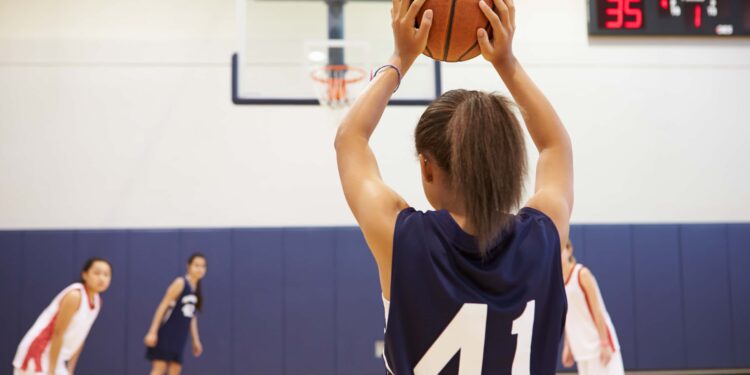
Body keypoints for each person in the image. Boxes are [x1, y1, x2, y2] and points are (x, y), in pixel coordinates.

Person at [333, 0, 574, 372]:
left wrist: (401, 56)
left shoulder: (399, 237)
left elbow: (350, 139)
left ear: (427, 168)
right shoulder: (544, 236)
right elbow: (555, 145)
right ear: (510, 162)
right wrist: (506, 62)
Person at [12, 258, 112, 375]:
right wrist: (52, 371)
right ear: (85, 274)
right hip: (38, 352)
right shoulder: (75, 296)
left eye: (106, 274)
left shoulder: (97, 302)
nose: (102, 278)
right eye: (97, 273)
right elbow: (58, 333)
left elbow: (80, 338)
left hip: (56, 358)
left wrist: (70, 369)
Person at [561, 240, 624, 375]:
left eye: (561, 250)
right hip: (581, 348)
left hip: (599, 346)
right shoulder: (558, 281)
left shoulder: (581, 274)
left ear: (569, 250)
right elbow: (568, 316)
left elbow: (597, 310)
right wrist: (569, 345)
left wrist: (605, 343)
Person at [144, 253, 206, 375]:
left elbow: (191, 316)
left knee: (175, 370)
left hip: (180, 336)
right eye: (197, 265)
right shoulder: (180, 283)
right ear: (188, 266)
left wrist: (196, 340)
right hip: (167, 332)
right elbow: (163, 305)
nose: (200, 269)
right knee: (159, 369)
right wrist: (152, 331)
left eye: (203, 266)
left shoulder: (196, 288)